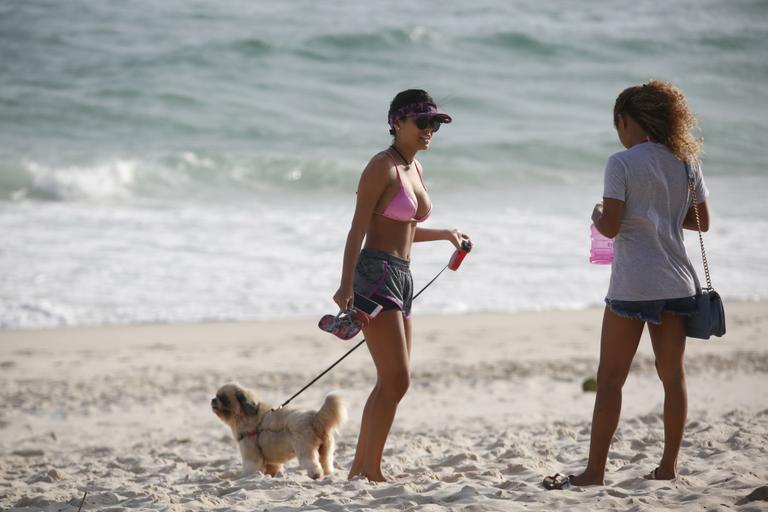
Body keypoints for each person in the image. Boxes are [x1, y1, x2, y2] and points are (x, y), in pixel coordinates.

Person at [546, 80, 710, 490]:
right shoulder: (686, 160)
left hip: (634, 285)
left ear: (625, 120)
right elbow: (701, 221)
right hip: (677, 280)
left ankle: (595, 472)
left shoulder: (620, 162)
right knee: (672, 376)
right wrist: (660, 214)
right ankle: (668, 467)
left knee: (610, 380)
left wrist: (599, 213)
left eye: (617, 123)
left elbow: (612, 225)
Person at [333, 89, 471, 482]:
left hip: (402, 276)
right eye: (422, 122)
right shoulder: (382, 166)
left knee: (392, 380)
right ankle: (367, 469)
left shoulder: (414, 168)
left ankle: (362, 467)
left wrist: (446, 234)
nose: (430, 130)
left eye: (435, 124)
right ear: (397, 122)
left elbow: (405, 229)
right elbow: (359, 228)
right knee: (396, 378)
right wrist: (345, 284)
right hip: (374, 275)